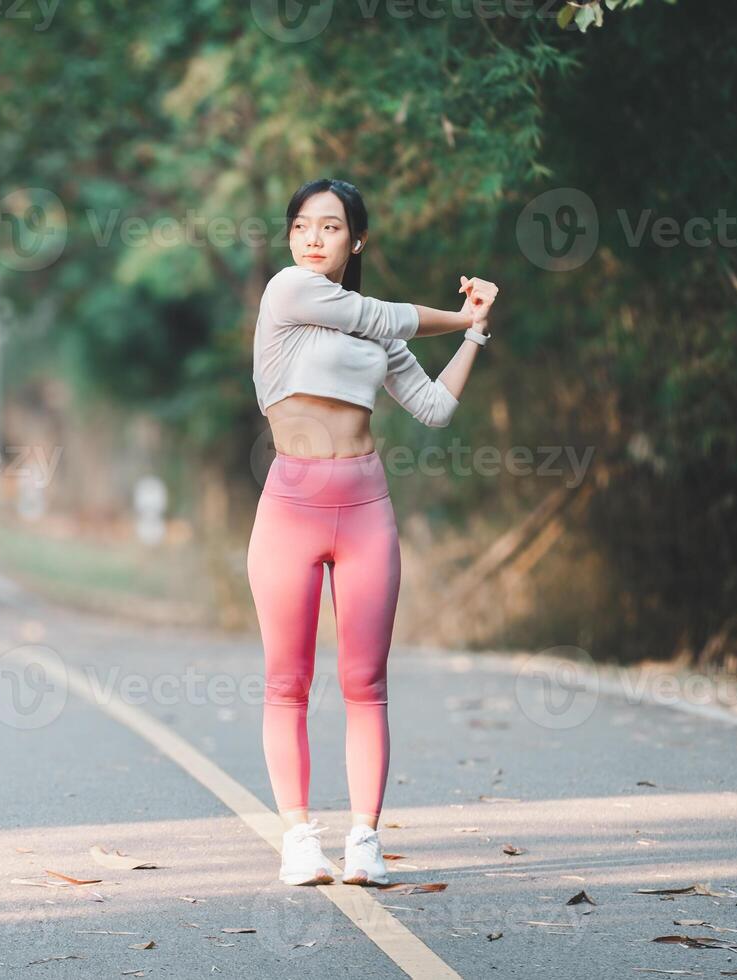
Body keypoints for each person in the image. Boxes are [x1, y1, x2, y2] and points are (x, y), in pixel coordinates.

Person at [249, 177, 498, 886]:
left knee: (365, 681)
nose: (312, 238)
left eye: (330, 228)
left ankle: (364, 839)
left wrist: (474, 330)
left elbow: (431, 406)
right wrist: (455, 315)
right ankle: (298, 838)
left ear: (355, 240)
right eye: (301, 225)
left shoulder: (372, 332)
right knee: (287, 681)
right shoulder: (286, 294)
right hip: (291, 504)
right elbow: (389, 312)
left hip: (364, 505)